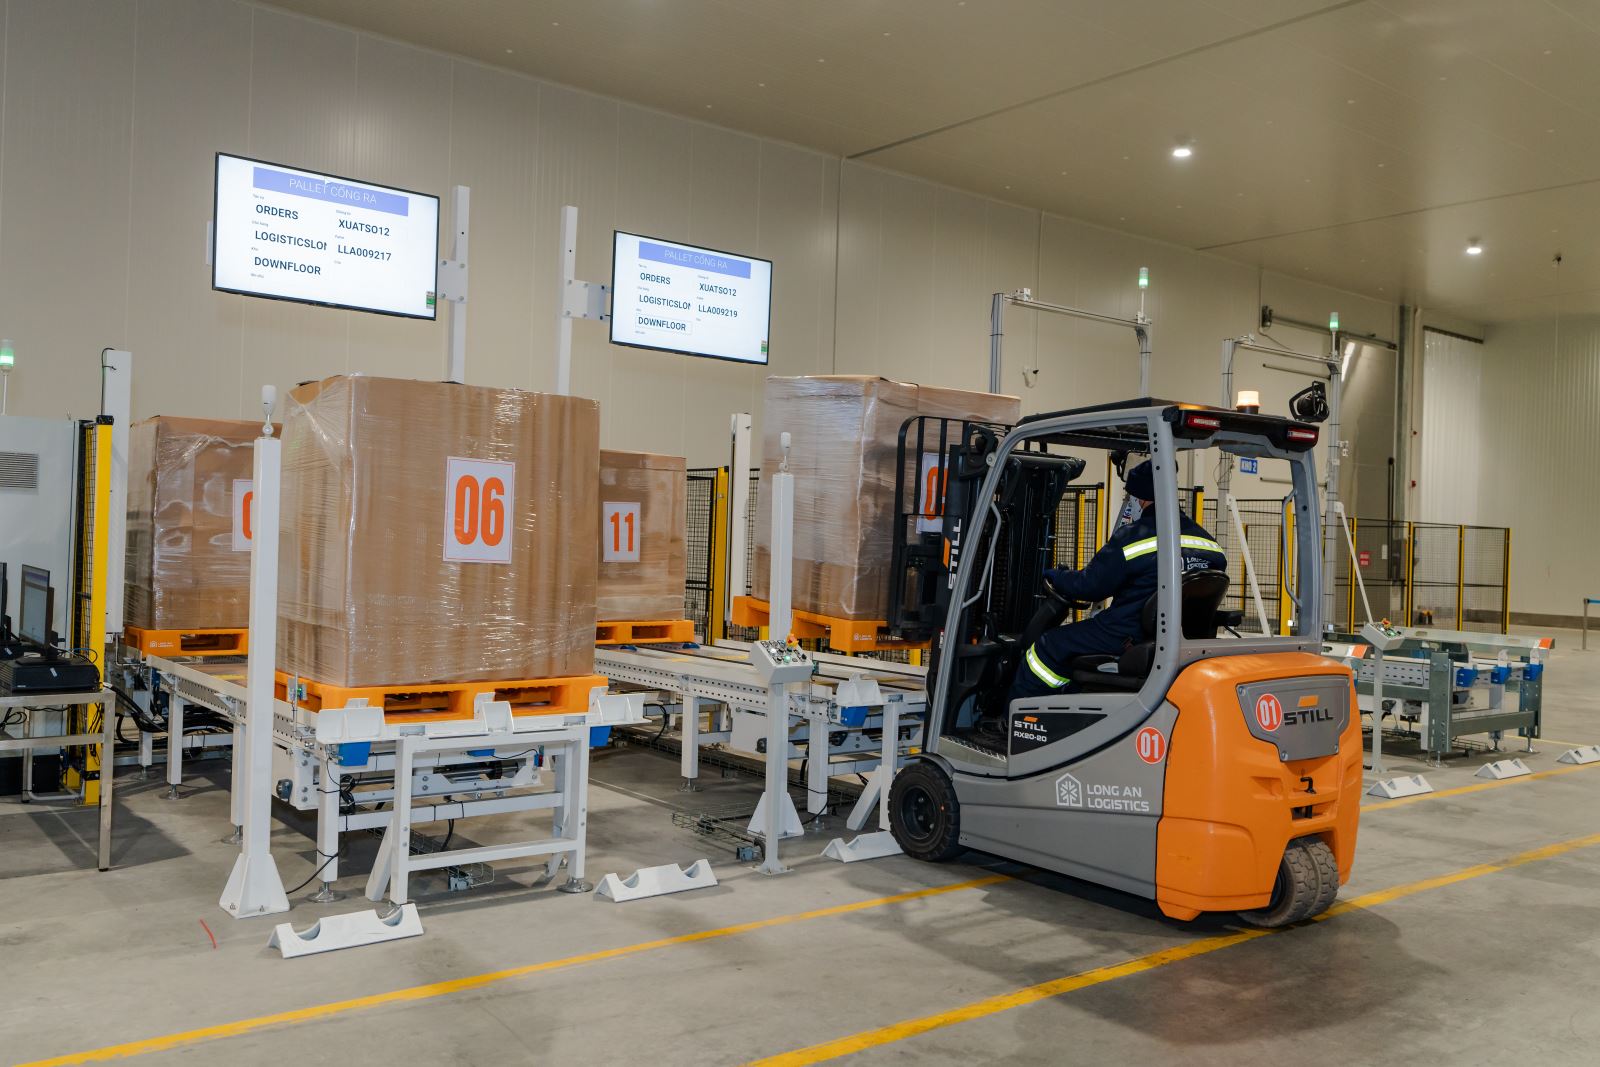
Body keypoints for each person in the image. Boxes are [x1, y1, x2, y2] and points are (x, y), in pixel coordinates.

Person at [1009, 460, 1226, 701]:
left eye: (1129, 496)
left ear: (1141, 499)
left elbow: (1090, 586)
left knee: (1046, 647)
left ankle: (1018, 713)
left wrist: (1054, 575)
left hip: (1125, 633)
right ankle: (1070, 697)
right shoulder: (1209, 544)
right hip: (1177, 637)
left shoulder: (1133, 538)